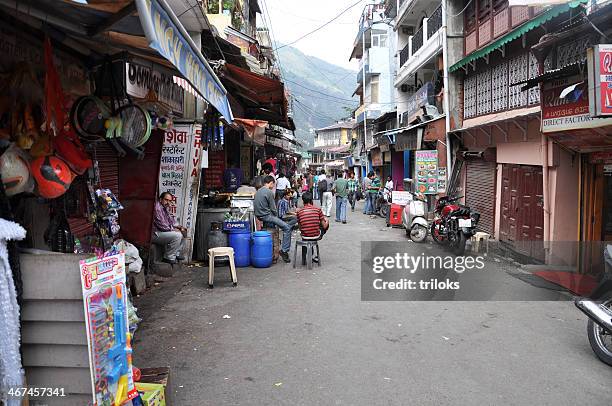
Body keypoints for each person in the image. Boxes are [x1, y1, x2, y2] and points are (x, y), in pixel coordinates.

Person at [254, 176, 295, 263]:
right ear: (271, 183)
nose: (273, 186)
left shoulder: (258, 192)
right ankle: (284, 250)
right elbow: (273, 209)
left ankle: (275, 253)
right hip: (267, 216)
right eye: (273, 184)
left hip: (259, 216)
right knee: (287, 228)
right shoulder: (268, 192)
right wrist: (277, 218)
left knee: (278, 225)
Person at [151, 192, 186, 264]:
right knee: (178, 235)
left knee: (183, 231)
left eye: (170, 201)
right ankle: (168, 257)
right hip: (155, 233)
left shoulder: (164, 207)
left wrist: (180, 227)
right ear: (161, 199)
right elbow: (162, 225)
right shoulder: (157, 208)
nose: (168, 202)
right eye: (166, 200)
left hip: (162, 231)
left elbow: (171, 221)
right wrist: (173, 229)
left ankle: (176, 253)